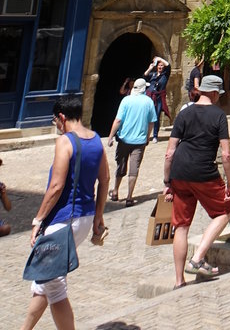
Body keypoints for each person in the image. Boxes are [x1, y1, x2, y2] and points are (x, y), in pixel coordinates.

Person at [19, 93, 107, 330]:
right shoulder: (97, 140)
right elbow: (104, 179)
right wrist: (98, 216)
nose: (56, 127)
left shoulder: (65, 142)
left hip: (63, 220)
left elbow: (56, 186)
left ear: (61, 117)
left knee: (52, 283)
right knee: (47, 282)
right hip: (84, 218)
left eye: (55, 122)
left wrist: (38, 219)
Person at [163, 73, 230, 288]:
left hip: (179, 172)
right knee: (225, 211)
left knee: (181, 226)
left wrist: (167, 182)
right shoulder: (219, 115)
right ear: (214, 93)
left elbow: (169, 152)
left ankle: (179, 280)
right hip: (203, 173)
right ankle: (197, 258)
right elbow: (226, 155)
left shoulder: (184, 113)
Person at [106, 76, 156, 206]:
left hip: (124, 139)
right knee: (134, 169)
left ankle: (115, 191)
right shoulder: (149, 102)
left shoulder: (126, 100)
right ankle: (129, 197)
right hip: (139, 141)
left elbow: (118, 120)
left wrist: (111, 136)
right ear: (144, 88)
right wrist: (147, 137)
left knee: (121, 165)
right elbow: (151, 122)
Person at [143, 56, 171, 140]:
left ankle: (155, 135)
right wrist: (150, 68)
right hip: (150, 97)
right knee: (146, 116)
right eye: (159, 65)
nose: (160, 67)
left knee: (156, 116)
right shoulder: (153, 74)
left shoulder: (165, 75)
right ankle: (145, 134)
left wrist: (159, 59)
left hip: (158, 98)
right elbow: (144, 76)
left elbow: (168, 65)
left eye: (162, 65)